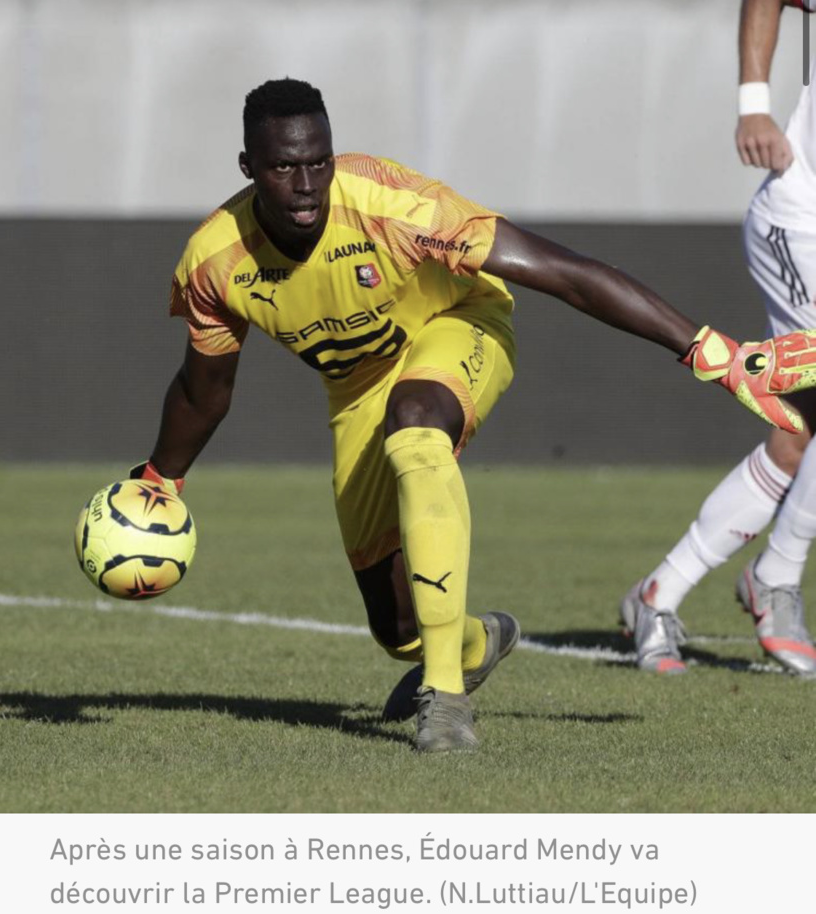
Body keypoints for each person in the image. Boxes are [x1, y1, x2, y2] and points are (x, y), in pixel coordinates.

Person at [133, 77, 816, 752]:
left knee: (416, 427)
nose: (307, 184)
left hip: (460, 324)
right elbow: (204, 389)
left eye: (319, 162)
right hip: (357, 392)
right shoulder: (215, 262)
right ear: (249, 168)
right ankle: (475, 644)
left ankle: (444, 700)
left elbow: (564, 272)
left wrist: (709, 351)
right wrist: (161, 479)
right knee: (397, 628)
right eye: (285, 168)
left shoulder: (395, 207)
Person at [620, 0, 816, 675]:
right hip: (803, 223)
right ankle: (775, 576)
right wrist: (753, 106)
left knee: (797, 432)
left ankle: (659, 593)